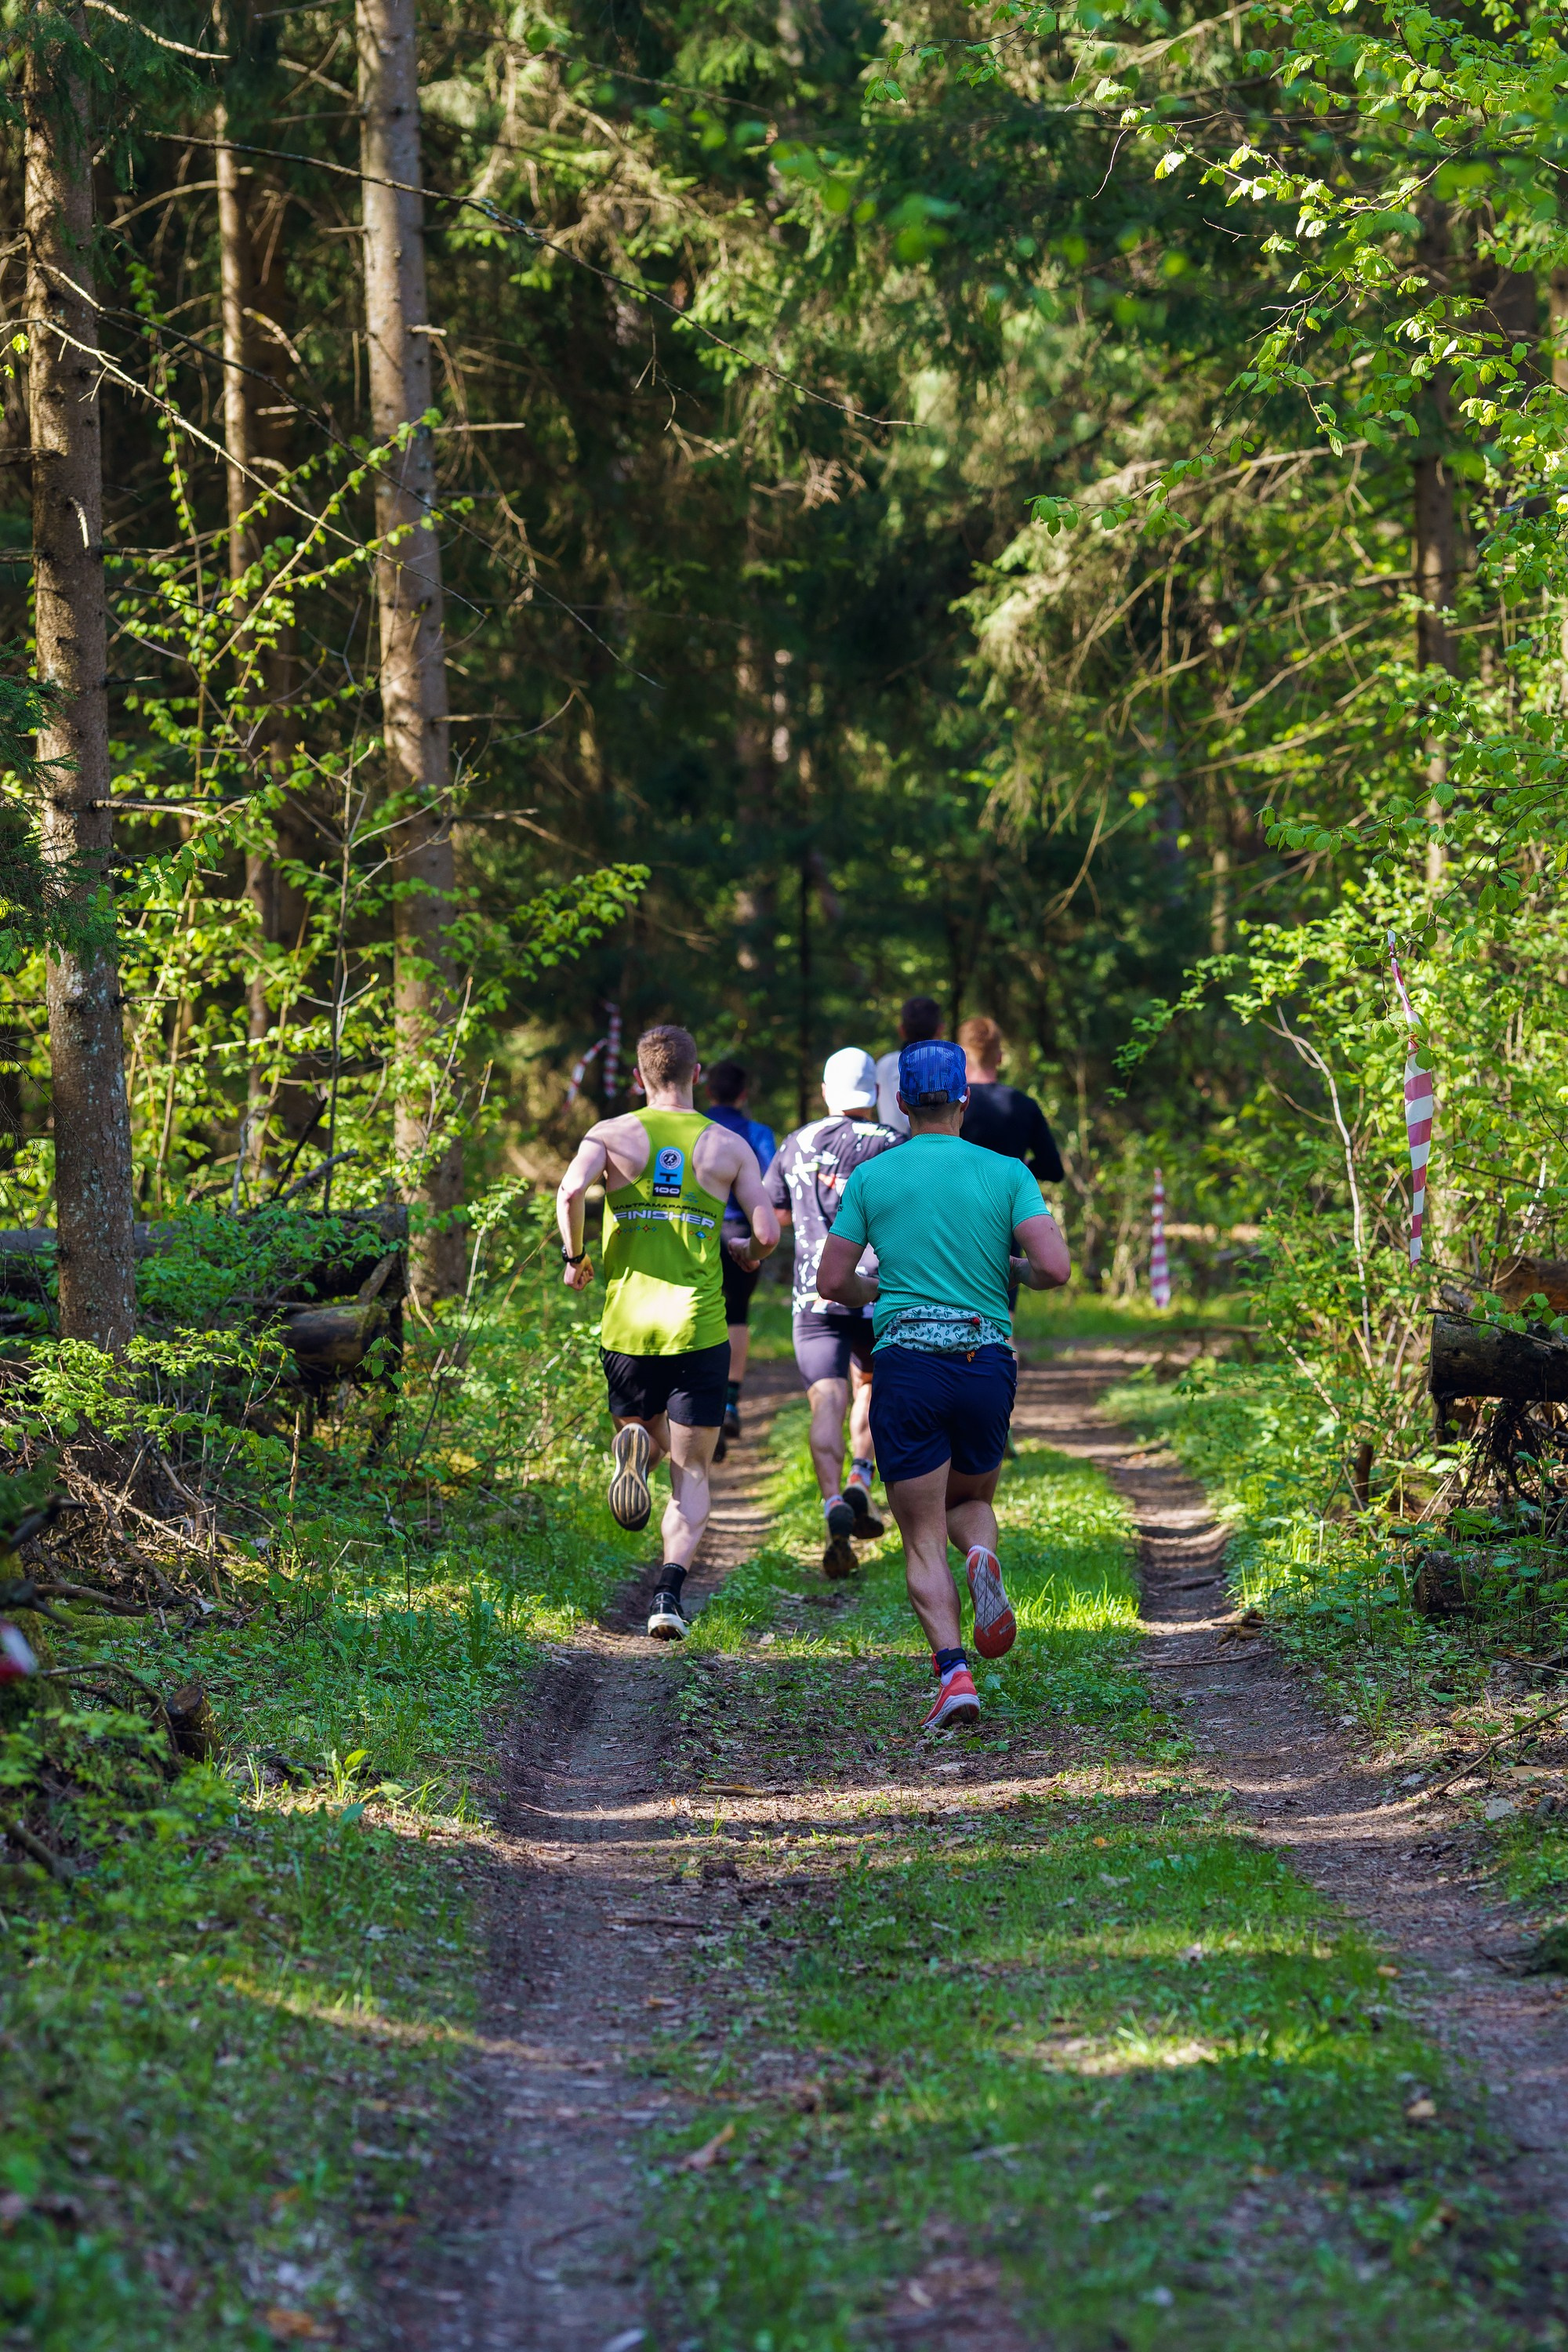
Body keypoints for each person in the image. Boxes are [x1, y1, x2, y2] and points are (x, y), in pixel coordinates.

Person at [815, 1037, 1071, 1731]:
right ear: (964, 1099)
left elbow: (833, 1281)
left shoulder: (874, 1176)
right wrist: (1011, 1270)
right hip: (986, 1363)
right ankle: (981, 1555)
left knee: (923, 1534)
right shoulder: (1007, 1173)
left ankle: (955, 1675)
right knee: (970, 1502)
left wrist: (876, 1286)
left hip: (909, 1366)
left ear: (901, 1102)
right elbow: (1054, 1268)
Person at [556, 1022, 780, 1642]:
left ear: (639, 1077)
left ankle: (635, 1447)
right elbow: (766, 1232)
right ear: (696, 1075)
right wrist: (745, 1251)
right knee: (693, 1473)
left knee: (643, 1431)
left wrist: (575, 1257)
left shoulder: (609, 1134)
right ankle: (667, 1596)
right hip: (698, 1329)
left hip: (626, 1327)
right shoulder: (727, 1145)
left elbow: (571, 1189)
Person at [764, 1047, 901, 1577]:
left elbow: (775, 1214)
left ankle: (832, 1504)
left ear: (826, 1091)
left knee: (826, 1398)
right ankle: (861, 1478)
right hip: (877, 1292)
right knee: (869, 1388)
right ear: (876, 1093)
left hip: (815, 1293)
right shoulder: (893, 1144)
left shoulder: (797, 1142)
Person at [701, 1060, 777, 1457]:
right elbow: (768, 1187)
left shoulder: (696, 1127)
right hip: (742, 1233)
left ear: (708, 1090)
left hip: (698, 1232)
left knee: (701, 1312)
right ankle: (730, 1401)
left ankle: (705, 1407)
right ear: (743, 1094)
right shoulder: (758, 1134)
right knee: (737, 1314)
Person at [874, 994, 942, 1135]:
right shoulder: (946, 1067)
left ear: (901, 1029)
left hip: (889, 1146)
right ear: (940, 1029)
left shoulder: (884, 1065)